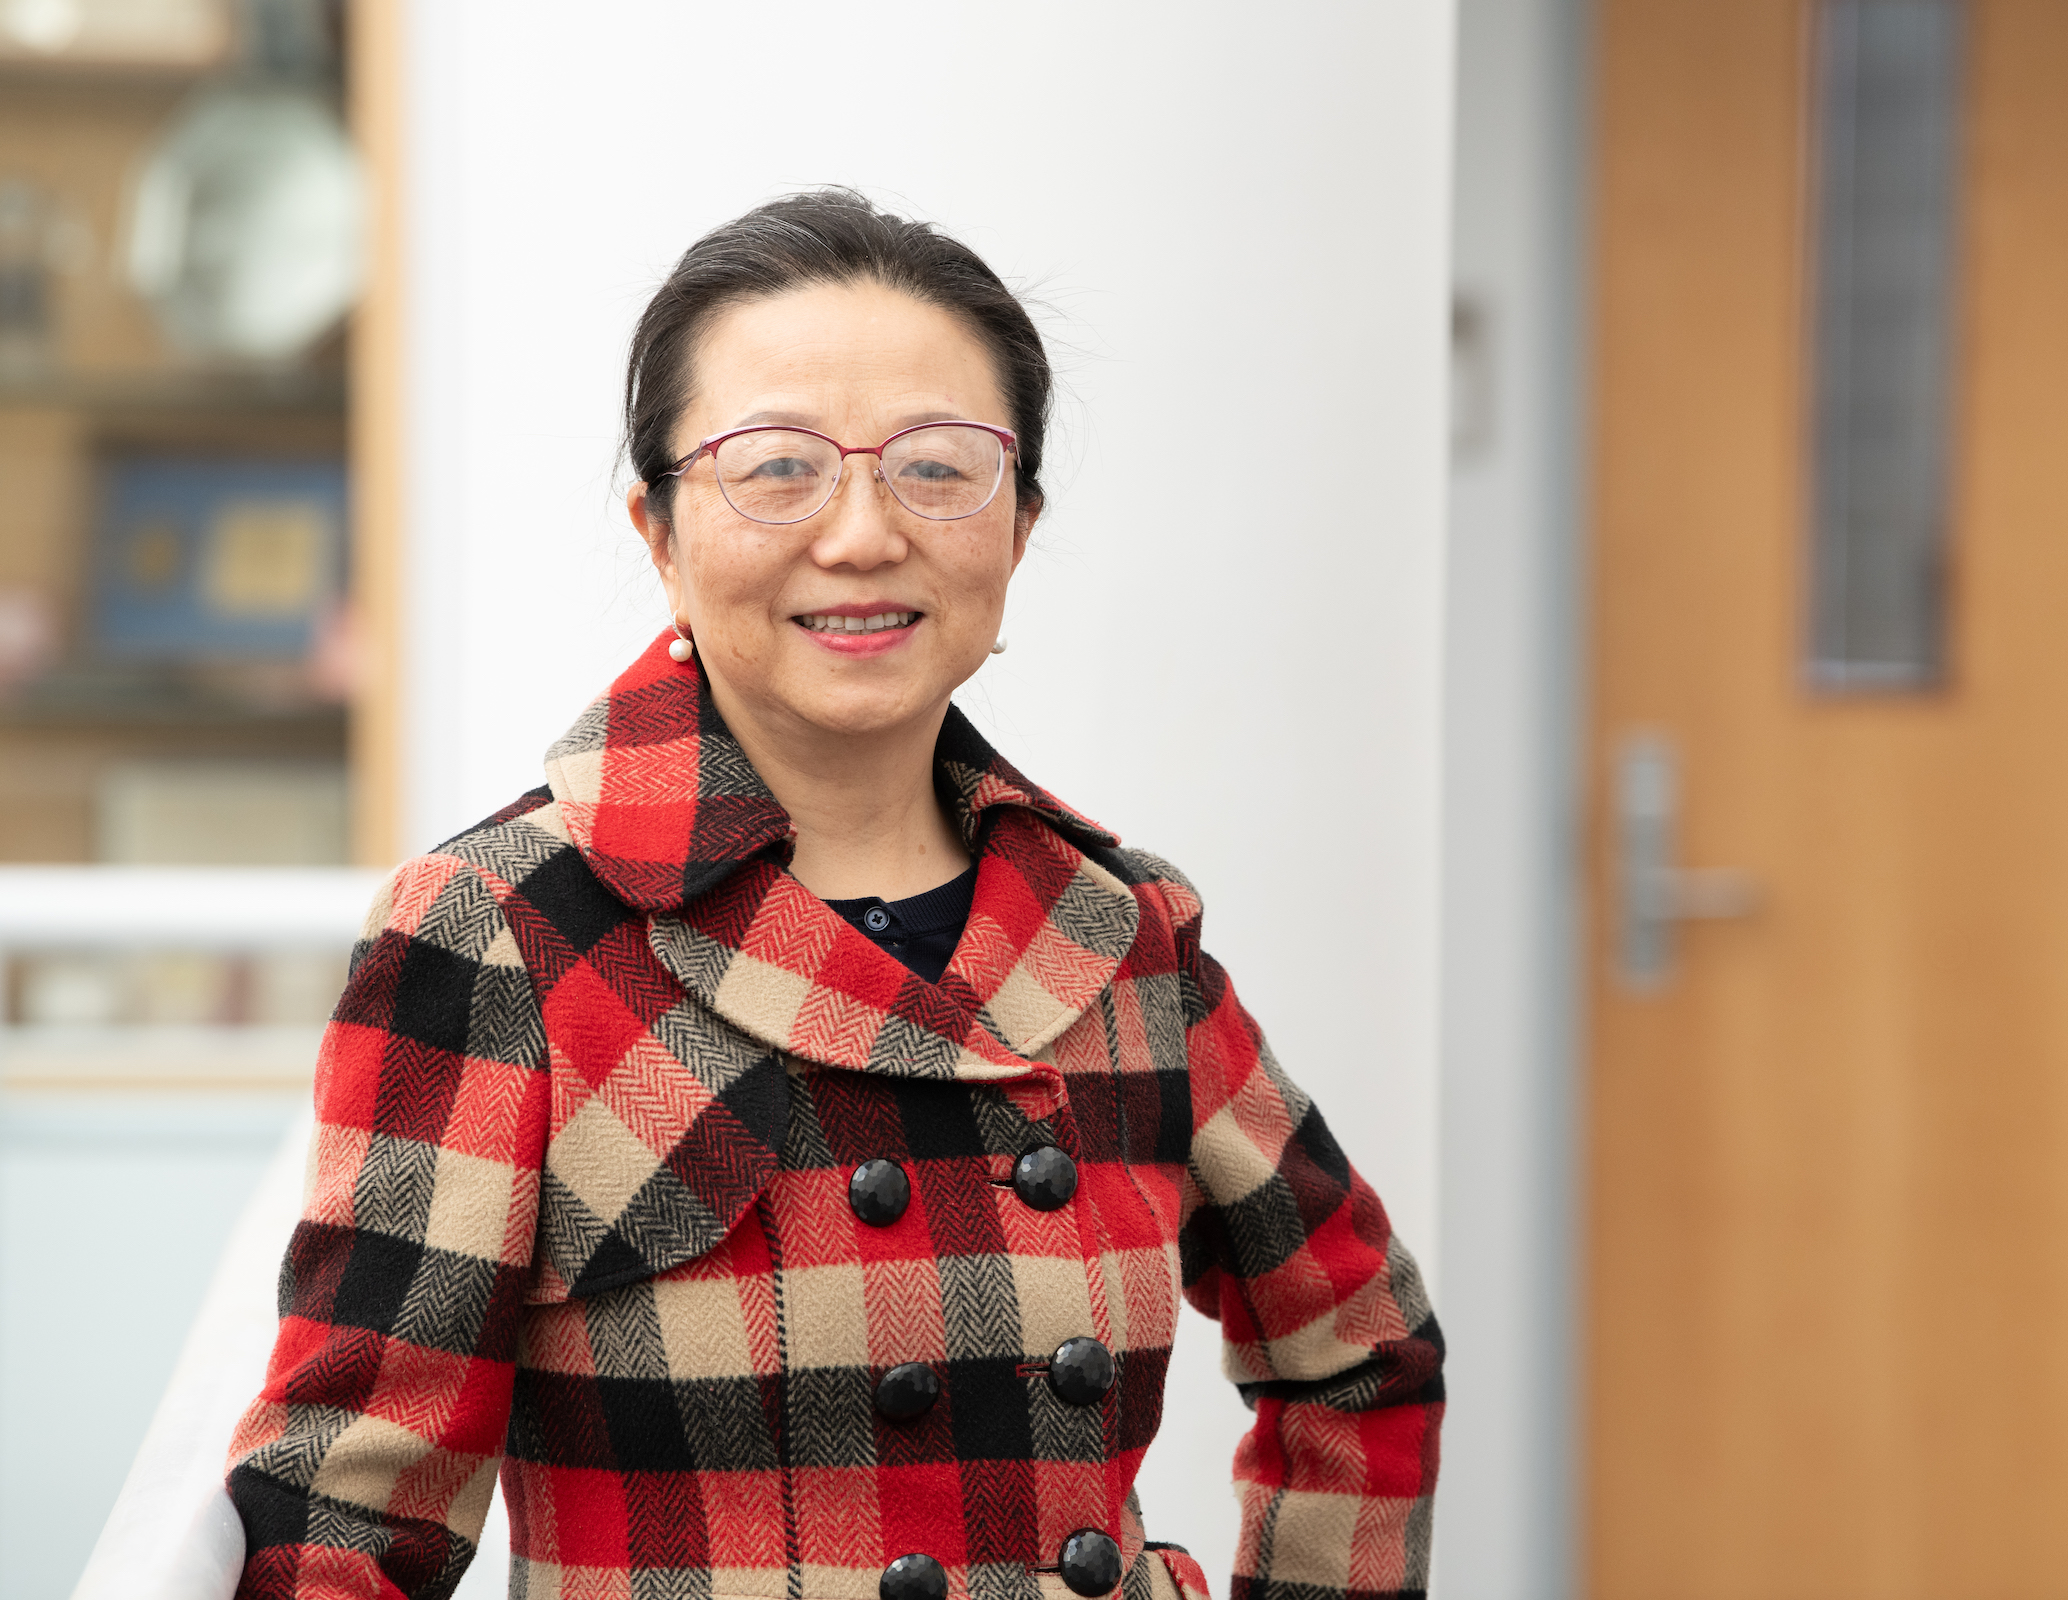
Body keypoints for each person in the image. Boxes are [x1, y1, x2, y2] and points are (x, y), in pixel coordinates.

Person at [224, 190, 1442, 1600]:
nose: (862, 536)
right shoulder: (502, 930)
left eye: (937, 468)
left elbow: (1364, 1344)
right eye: (778, 469)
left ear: (1021, 527)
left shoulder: (1121, 929)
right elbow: (343, 1517)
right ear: (661, 533)